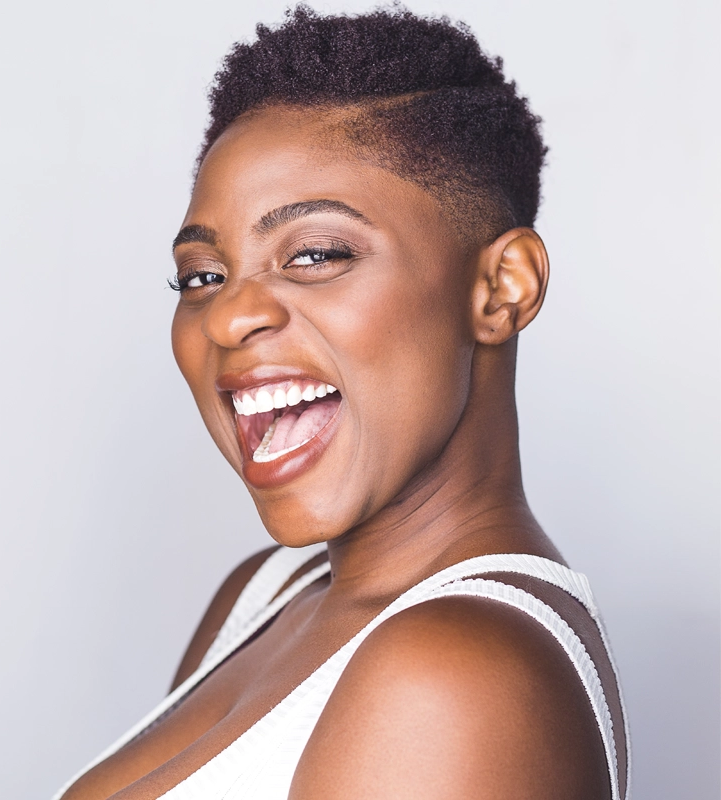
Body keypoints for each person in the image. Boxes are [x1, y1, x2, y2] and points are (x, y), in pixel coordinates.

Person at [55, 6, 629, 799]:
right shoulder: (266, 595)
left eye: (316, 254)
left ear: (502, 288)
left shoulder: (452, 677)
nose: (226, 318)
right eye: (203, 276)